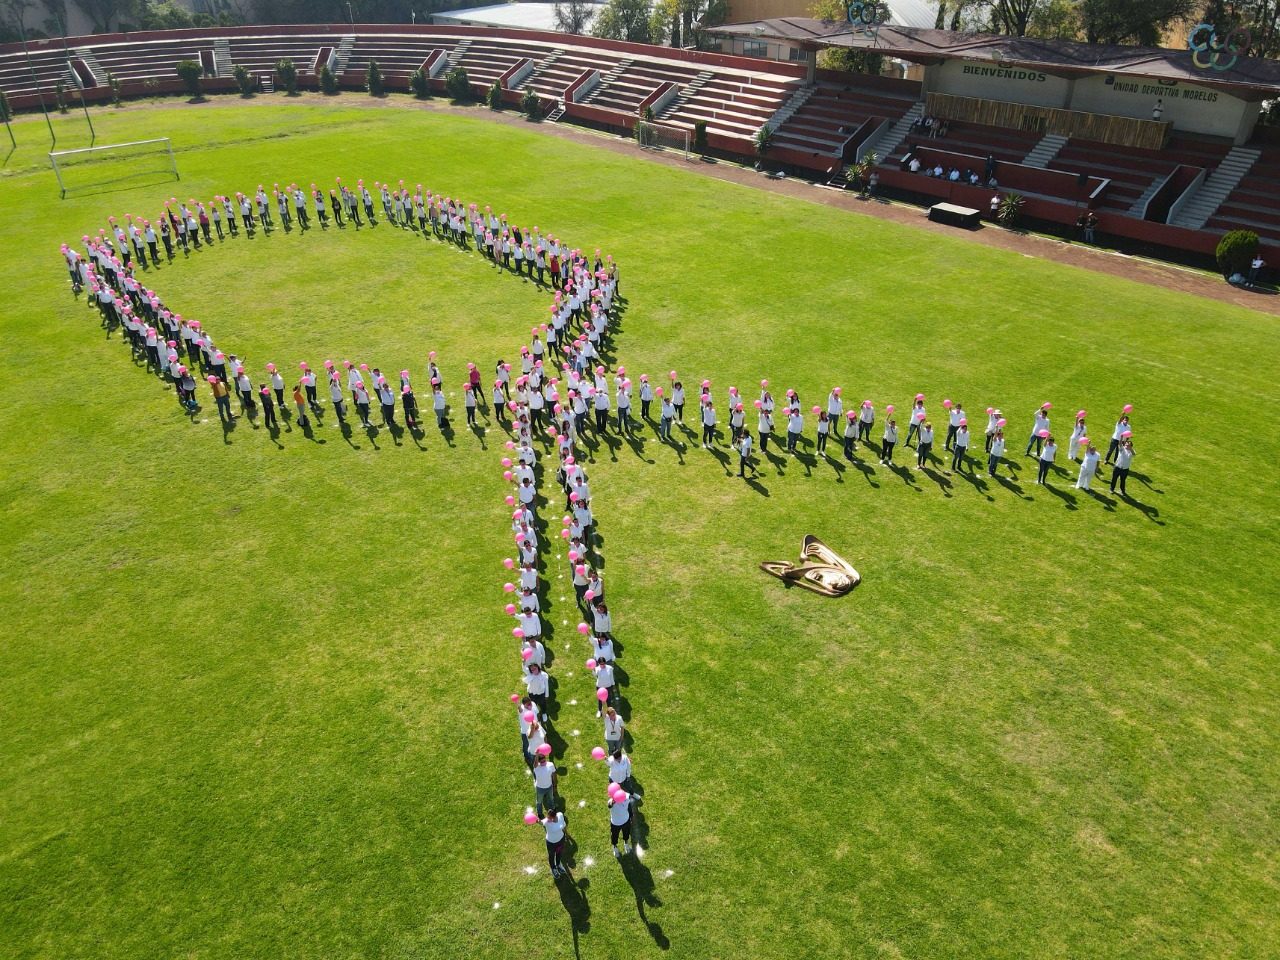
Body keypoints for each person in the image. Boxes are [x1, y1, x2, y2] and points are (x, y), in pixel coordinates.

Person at [541, 808, 568, 878]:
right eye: (548, 816)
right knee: (551, 856)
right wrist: (536, 820)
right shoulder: (547, 821)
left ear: (554, 816)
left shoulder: (560, 815)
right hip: (551, 843)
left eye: (549, 817)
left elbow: (564, 825)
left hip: (561, 840)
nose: (547, 818)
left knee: (559, 853)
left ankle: (558, 865)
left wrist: (567, 834)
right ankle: (553, 869)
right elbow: (541, 822)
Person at [532, 753, 558, 817]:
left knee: (551, 799)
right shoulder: (536, 767)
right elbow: (534, 764)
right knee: (539, 802)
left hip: (549, 787)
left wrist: (555, 784)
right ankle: (540, 813)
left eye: (544, 760)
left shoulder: (550, 764)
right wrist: (537, 755)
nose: (543, 762)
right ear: (538, 761)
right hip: (540, 788)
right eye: (542, 761)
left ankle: (552, 809)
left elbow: (554, 774)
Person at [608, 789, 633, 857]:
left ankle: (626, 844)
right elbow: (609, 805)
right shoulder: (611, 802)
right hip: (615, 824)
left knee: (626, 834)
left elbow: (629, 795)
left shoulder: (626, 799)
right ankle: (615, 848)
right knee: (614, 836)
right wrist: (614, 800)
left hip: (626, 821)